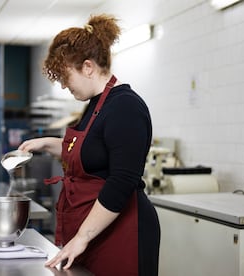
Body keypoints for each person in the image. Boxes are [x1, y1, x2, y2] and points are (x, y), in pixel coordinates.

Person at [18, 14, 160, 276]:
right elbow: (88, 153)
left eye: (65, 76)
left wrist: (82, 237)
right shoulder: (96, 105)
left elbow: (122, 181)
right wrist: (44, 143)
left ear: (87, 67)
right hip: (95, 234)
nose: (62, 85)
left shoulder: (125, 106)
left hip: (123, 233)